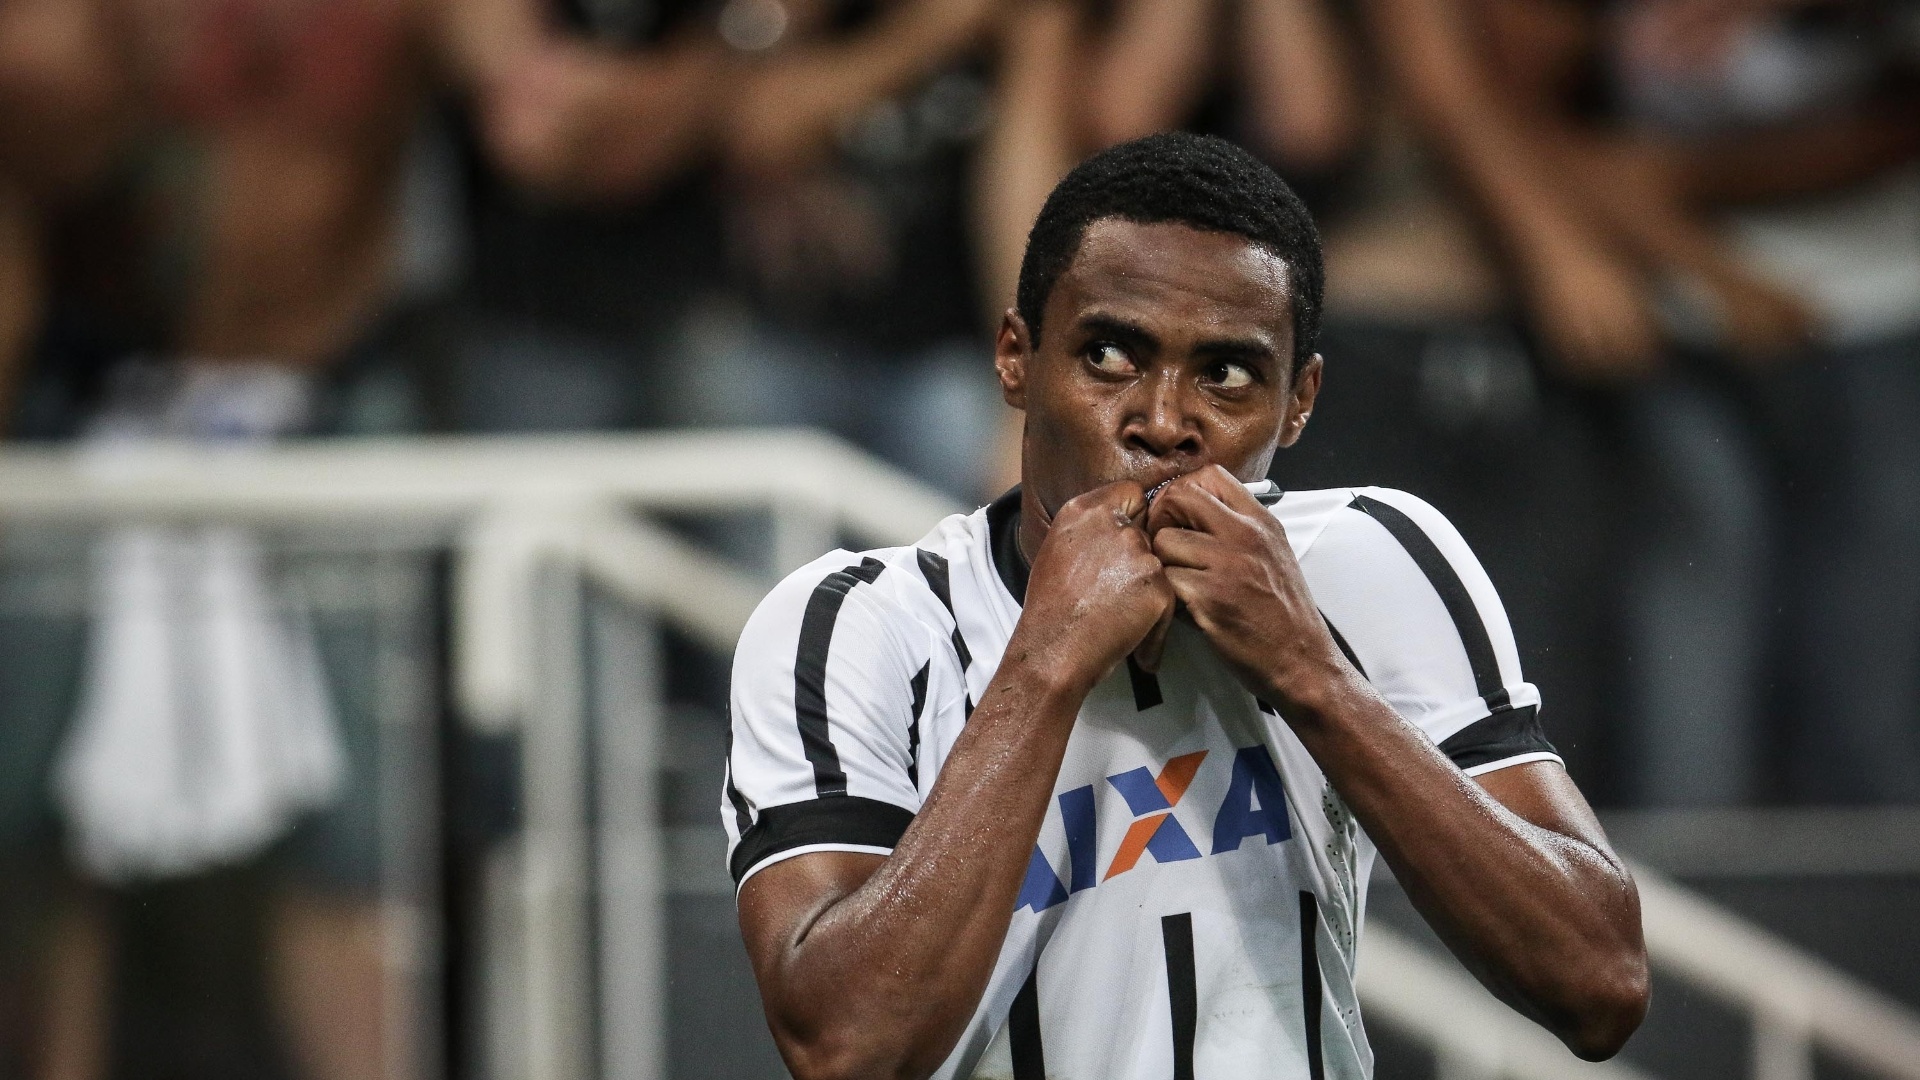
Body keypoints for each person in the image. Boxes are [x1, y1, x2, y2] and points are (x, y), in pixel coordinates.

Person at [722, 133, 1648, 1079]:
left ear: (1300, 401)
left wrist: (1311, 673)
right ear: (1015, 359)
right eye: (1109, 355)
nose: (1163, 421)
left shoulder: (1370, 557)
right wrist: (1043, 665)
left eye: (1226, 374)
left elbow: (1601, 983)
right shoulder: (851, 625)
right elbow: (844, 1048)